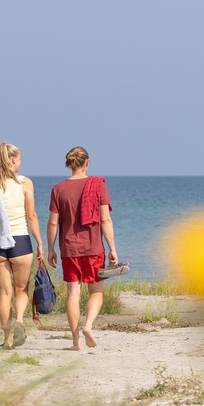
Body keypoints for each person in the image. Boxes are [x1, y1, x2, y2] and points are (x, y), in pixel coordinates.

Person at [47, 146, 118, 350]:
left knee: (73, 294)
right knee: (96, 292)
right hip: (94, 248)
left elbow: (53, 223)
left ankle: (76, 341)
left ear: (70, 164)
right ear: (87, 162)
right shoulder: (98, 185)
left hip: (69, 249)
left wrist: (51, 248)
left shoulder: (58, 189)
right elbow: (105, 220)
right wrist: (112, 247)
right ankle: (88, 326)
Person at [0, 142, 43, 348]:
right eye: (20, 158)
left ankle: (7, 340)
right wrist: (40, 242)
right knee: (21, 289)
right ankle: (20, 321)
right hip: (21, 242)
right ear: (13, 159)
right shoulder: (25, 183)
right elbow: (31, 216)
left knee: (4, 292)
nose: (20, 162)